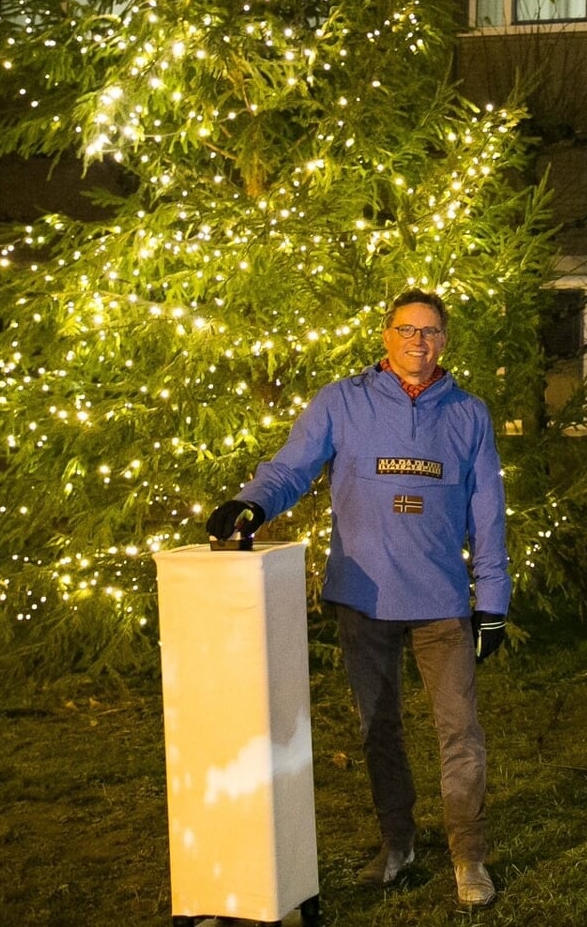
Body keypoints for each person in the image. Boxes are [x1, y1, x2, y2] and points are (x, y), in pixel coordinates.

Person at [206, 289, 510, 909]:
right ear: (385, 336)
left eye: (429, 332)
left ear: (443, 341)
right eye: (405, 330)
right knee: (380, 729)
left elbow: (487, 508)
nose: (416, 342)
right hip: (362, 598)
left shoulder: (469, 414)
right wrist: (252, 503)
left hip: (441, 602)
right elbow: (292, 466)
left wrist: (493, 599)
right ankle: (397, 844)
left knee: (460, 731)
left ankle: (467, 856)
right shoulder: (341, 402)